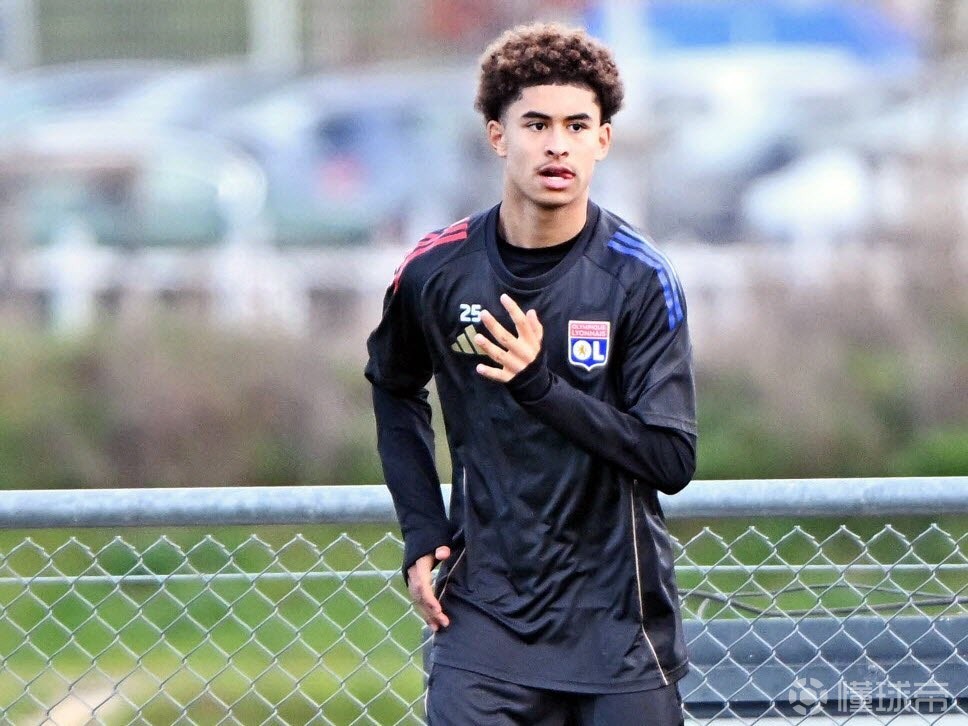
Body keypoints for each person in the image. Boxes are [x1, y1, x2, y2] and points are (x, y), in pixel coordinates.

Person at [365, 22, 696, 725]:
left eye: (577, 126)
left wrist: (539, 387)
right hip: (484, 622)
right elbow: (393, 386)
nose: (557, 145)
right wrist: (422, 529)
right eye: (536, 124)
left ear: (603, 140)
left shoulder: (640, 279)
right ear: (497, 135)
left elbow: (670, 458)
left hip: (618, 628)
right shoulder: (436, 270)